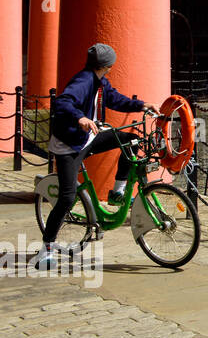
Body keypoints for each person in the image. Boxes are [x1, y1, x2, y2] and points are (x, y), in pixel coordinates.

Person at [32, 44, 158, 270]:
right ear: (109, 65)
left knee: (130, 140)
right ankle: (46, 248)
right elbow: (62, 102)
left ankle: (117, 192)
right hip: (69, 145)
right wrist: (80, 117)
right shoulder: (83, 80)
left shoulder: (99, 80)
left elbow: (115, 99)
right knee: (67, 198)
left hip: (87, 138)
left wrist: (141, 105)